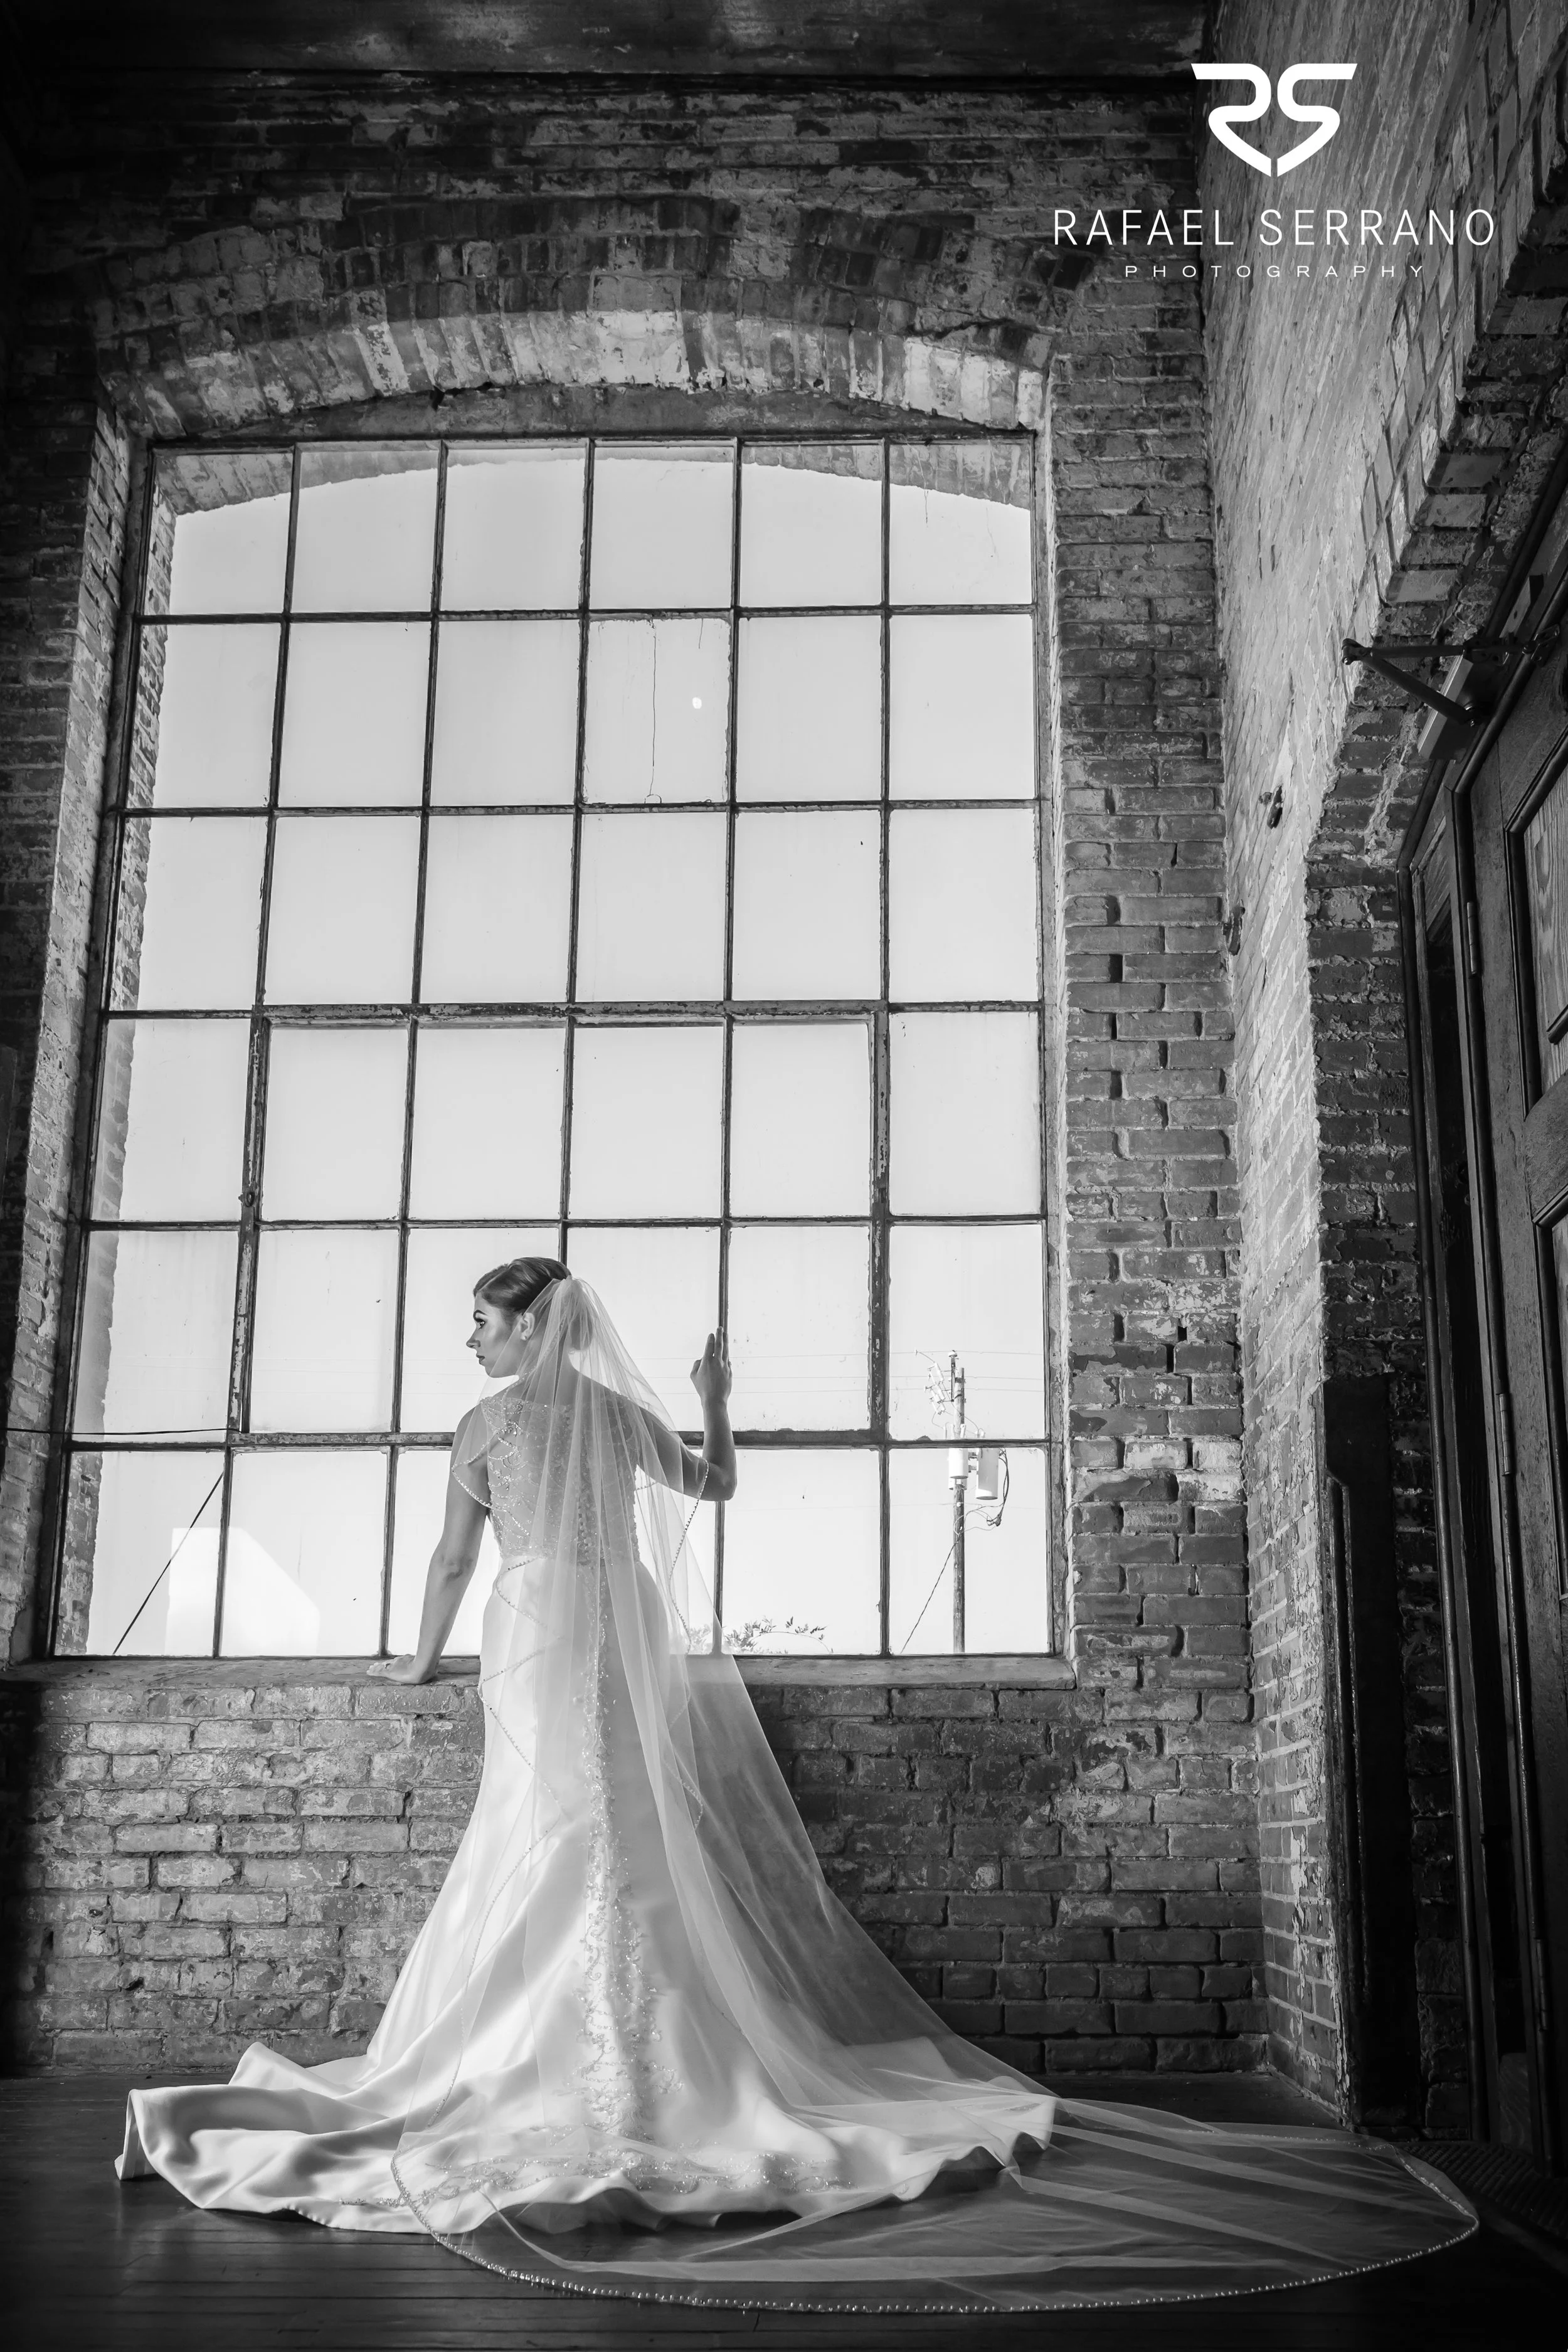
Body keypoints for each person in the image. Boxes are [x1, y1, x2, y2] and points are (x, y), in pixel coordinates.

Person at [117, 1260, 1474, 2311]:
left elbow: (451, 1565)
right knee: (611, 1827)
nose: (470, 1339)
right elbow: (712, 1484)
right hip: (618, 1627)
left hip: (532, 1629)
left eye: (482, 1319)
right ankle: (654, 2051)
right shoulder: (615, 1414)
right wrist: (709, 1394)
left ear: (530, 1325)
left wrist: (417, 1661)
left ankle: (547, 2051)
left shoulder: (484, 1425)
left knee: (545, 1823)